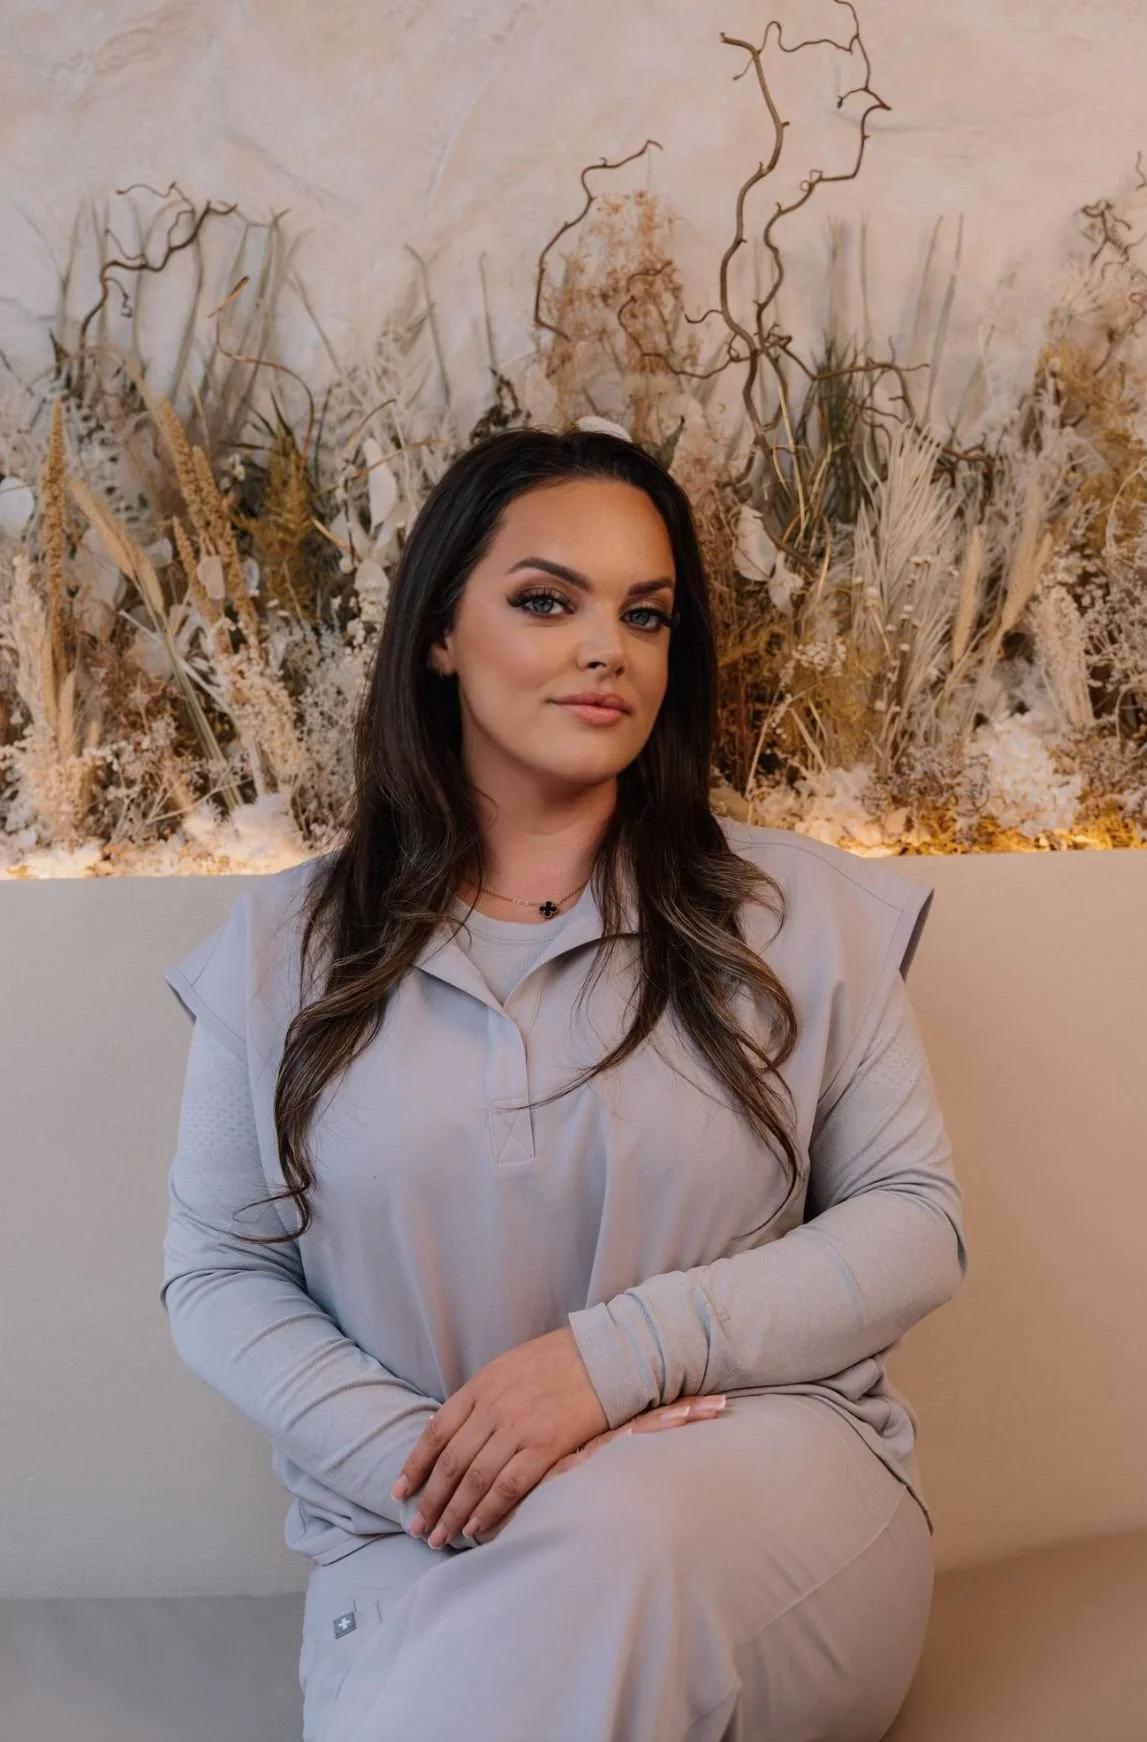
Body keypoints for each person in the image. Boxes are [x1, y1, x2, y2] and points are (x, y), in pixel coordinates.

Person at [160, 427, 968, 1742]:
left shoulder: (796, 911)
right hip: (422, 1526)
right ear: (438, 634)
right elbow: (215, 1268)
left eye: (644, 614)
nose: (608, 647)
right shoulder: (281, 948)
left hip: (762, 1504)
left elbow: (914, 1222)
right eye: (547, 600)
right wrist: (430, 1464)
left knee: (625, 1534)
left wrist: (612, 1362)